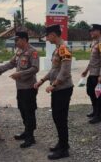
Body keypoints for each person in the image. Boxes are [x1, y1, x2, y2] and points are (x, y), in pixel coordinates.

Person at [34, 24, 73, 160]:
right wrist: (42, 80)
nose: (46, 38)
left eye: (47, 35)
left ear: (53, 35)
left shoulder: (64, 49)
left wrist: (54, 84)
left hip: (63, 89)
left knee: (61, 118)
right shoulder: (57, 49)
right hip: (58, 89)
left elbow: (65, 71)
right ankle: (62, 143)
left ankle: (64, 149)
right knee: (57, 117)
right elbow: (54, 69)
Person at [0, 31, 39, 148]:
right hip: (20, 87)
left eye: (17, 40)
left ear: (24, 40)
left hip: (29, 87)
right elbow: (11, 63)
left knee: (29, 111)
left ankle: (31, 137)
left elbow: (35, 68)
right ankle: (26, 131)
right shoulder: (18, 51)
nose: (15, 42)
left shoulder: (32, 51)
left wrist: (20, 74)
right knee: (22, 109)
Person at [81, 24, 101, 124]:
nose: (91, 32)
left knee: (99, 95)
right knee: (90, 92)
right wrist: (86, 70)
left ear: (99, 31)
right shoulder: (94, 42)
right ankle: (95, 110)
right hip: (92, 73)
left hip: (98, 74)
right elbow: (93, 60)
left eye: (93, 31)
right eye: (90, 31)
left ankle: (98, 115)